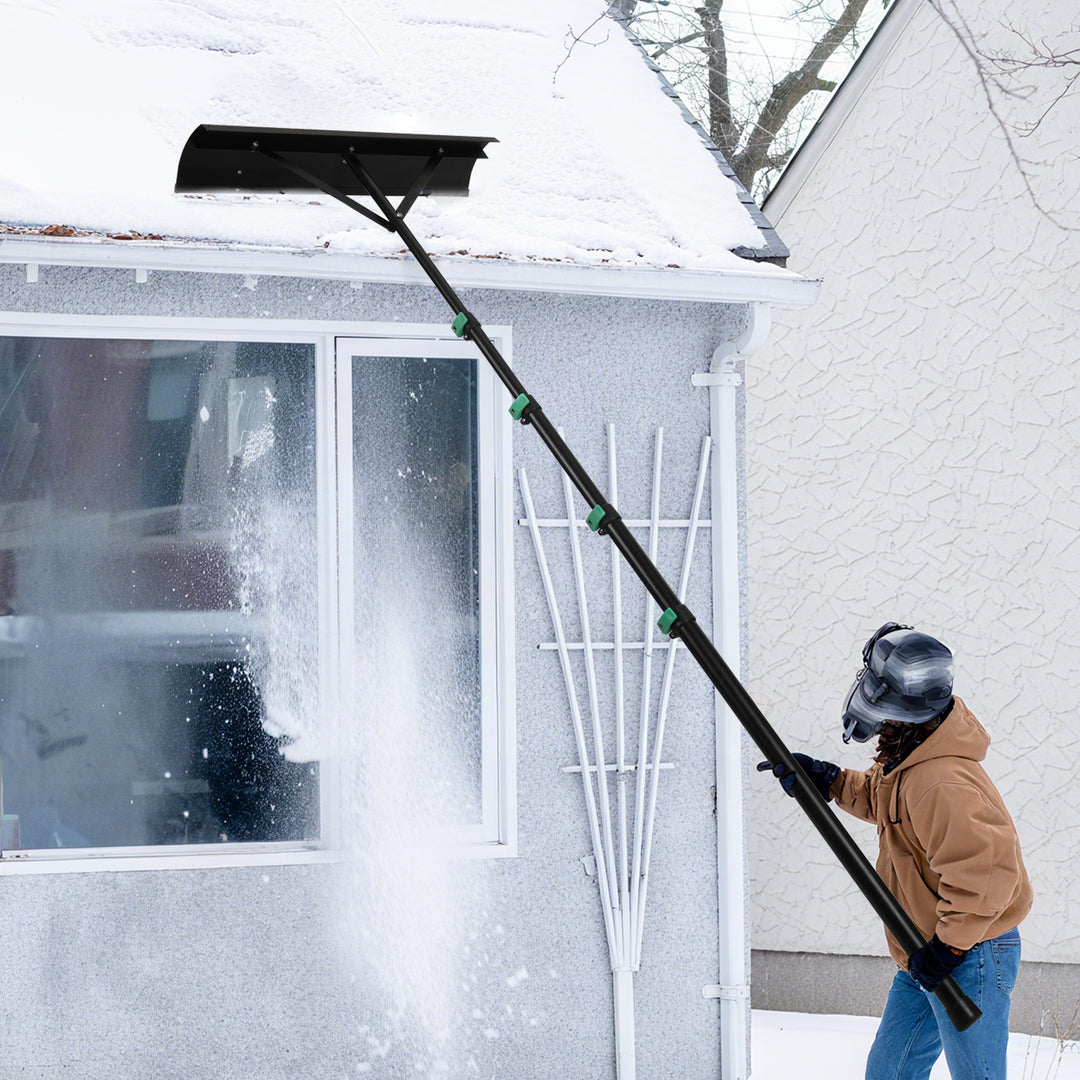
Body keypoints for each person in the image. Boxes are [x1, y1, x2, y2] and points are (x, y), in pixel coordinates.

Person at [758, 622, 1033, 1080]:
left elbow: (988, 876)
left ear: (896, 707)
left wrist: (948, 949)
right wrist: (826, 779)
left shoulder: (940, 780)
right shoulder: (913, 758)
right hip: (925, 947)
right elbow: (885, 802)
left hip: (970, 952)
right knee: (890, 1072)